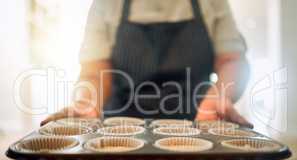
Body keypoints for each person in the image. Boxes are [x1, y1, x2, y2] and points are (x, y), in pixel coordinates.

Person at [41, 0, 253, 127]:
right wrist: (87, 102)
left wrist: (220, 97)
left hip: (200, 126)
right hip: (119, 137)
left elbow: (232, 61)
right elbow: (94, 73)